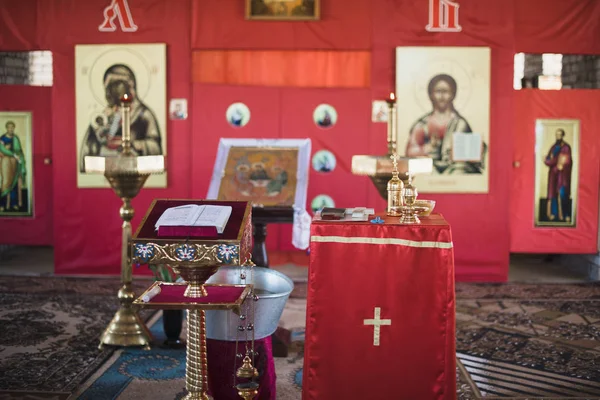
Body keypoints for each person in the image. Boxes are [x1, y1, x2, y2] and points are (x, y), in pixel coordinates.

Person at [79, 64, 162, 172]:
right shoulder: (105, 116)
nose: (114, 92)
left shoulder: (144, 115)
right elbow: (89, 148)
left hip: (135, 168)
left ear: (130, 87)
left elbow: (154, 147)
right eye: (110, 88)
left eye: (118, 86)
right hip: (109, 167)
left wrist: (133, 144)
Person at [405, 74, 486, 174]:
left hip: (455, 168)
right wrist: (427, 148)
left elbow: (470, 152)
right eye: (438, 91)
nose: (442, 96)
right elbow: (410, 151)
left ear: (453, 94)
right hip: (430, 167)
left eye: (446, 91)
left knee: (459, 171)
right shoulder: (422, 124)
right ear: (431, 94)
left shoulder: (460, 123)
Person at [544, 128, 572, 222]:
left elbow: (566, 160)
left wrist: (553, 161)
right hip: (553, 174)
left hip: (562, 175)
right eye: (556, 135)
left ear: (562, 135)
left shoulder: (566, 147)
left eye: (559, 134)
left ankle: (566, 215)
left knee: (563, 194)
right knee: (553, 194)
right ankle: (554, 214)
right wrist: (550, 160)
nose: (558, 136)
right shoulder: (553, 147)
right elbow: (548, 160)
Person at [0, 121, 26, 212]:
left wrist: (20, 159)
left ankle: (14, 204)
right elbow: (2, 149)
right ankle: (2, 204)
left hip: (15, 162)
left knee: (14, 183)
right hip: (5, 163)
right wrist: (13, 154)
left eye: (12, 127)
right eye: (9, 127)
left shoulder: (15, 138)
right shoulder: (2, 138)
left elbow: (19, 150)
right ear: (6, 128)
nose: (11, 129)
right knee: (5, 183)